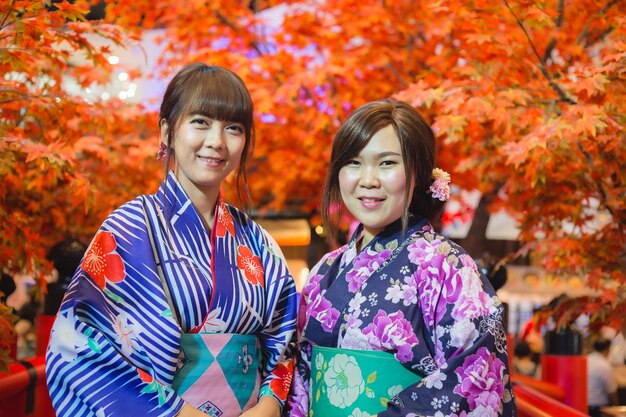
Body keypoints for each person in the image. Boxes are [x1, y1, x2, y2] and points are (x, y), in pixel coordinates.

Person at [45, 63, 297, 417]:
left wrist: (269, 406)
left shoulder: (259, 242)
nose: (217, 141)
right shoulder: (129, 228)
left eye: (234, 128)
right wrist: (177, 412)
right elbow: (79, 345)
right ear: (166, 131)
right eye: (200, 122)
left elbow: (284, 345)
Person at [288, 99, 516, 416]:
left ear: (417, 176)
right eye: (354, 162)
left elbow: (476, 376)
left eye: (387, 163)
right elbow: (300, 379)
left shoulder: (445, 265)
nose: (368, 179)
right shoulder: (325, 270)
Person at [587, 338, 619, 417]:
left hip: (583, 405)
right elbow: (612, 393)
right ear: (607, 349)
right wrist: (616, 407)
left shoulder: (586, 358)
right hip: (598, 409)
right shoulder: (604, 365)